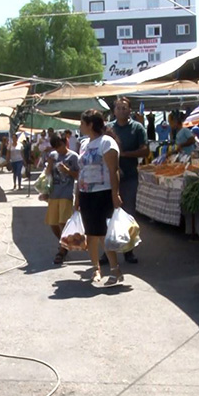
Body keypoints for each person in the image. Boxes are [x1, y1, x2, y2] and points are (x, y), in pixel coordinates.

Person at [76, 109, 123, 284]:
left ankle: (115, 270)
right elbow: (82, 171)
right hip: (86, 193)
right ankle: (96, 269)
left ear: (90, 125)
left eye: (82, 123)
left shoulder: (106, 143)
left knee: (104, 234)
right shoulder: (84, 144)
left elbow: (113, 170)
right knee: (90, 234)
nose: (80, 126)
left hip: (103, 193)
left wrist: (115, 193)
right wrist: (77, 197)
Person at [105, 97, 148, 264]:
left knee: (128, 212)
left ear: (130, 110)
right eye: (119, 108)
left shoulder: (137, 128)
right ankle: (108, 250)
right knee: (108, 213)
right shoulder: (109, 128)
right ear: (114, 111)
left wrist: (124, 154)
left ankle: (129, 250)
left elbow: (144, 151)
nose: (122, 110)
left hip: (129, 176)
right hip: (110, 177)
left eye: (125, 108)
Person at [45, 134, 80, 265]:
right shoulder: (53, 156)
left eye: (60, 145)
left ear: (65, 142)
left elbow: (79, 175)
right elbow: (47, 175)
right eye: (56, 147)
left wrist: (67, 171)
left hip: (66, 193)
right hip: (54, 193)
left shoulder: (74, 156)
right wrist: (49, 166)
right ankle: (64, 243)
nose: (58, 149)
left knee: (62, 222)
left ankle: (61, 250)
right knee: (52, 223)